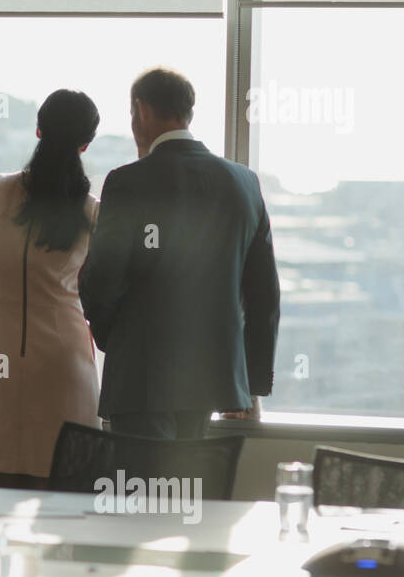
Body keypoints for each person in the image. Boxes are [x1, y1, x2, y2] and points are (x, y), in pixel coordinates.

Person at [80, 67, 280, 440]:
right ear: (187, 112)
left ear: (140, 110)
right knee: (190, 493)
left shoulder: (127, 182)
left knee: (143, 493)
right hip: (212, 379)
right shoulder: (244, 184)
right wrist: (249, 382)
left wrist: (117, 338)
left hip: (140, 377)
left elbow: (102, 279)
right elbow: (263, 293)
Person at [0, 90, 103, 489]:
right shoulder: (92, 211)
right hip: (64, 360)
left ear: (38, 129)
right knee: (61, 519)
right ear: (86, 144)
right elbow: (87, 286)